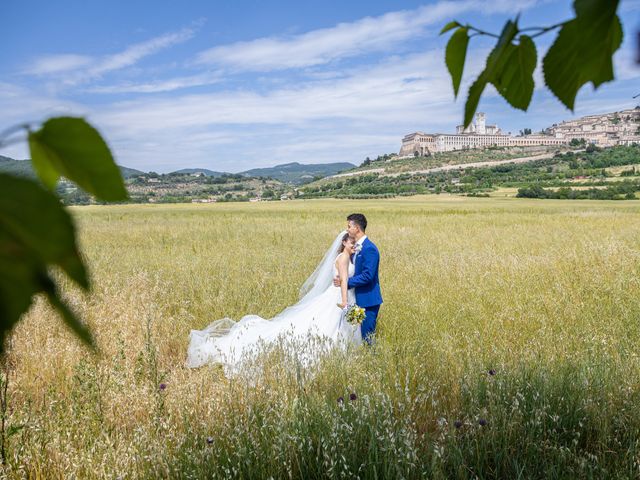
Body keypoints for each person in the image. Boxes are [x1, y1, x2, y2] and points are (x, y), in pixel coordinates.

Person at [186, 231, 361, 374]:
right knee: (329, 325)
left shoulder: (340, 256)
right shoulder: (344, 259)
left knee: (328, 325)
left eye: (355, 244)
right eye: (352, 243)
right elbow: (344, 281)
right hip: (338, 297)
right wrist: (345, 302)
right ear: (344, 242)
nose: (354, 246)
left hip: (334, 294)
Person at [333, 213, 382, 344]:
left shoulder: (369, 248)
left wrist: (346, 282)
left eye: (349, 226)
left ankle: (371, 362)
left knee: (368, 338)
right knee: (356, 338)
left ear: (357, 228)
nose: (347, 229)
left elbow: (368, 276)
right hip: (356, 299)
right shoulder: (355, 248)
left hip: (368, 300)